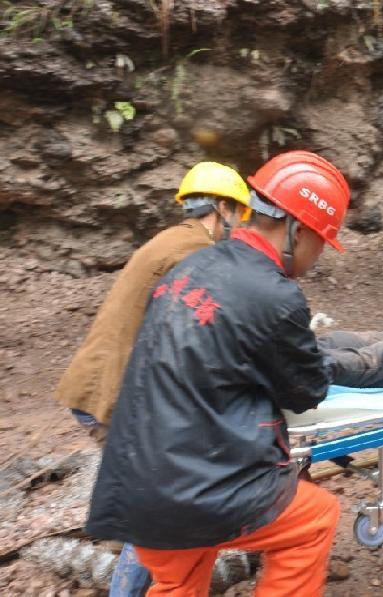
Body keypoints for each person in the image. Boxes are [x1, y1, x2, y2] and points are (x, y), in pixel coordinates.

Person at [84, 150, 351, 597]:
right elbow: (308, 390)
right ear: (297, 230)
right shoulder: (273, 294)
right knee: (314, 518)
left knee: (178, 579)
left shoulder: (192, 265)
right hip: (191, 489)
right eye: (322, 242)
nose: (318, 255)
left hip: (133, 480)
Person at [54, 161, 251, 596]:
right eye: (237, 214)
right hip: (114, 396)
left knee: (152, 504)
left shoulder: (170, 241)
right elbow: (200, 339)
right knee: (160, 510)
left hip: (99, 388)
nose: (238, 226)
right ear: (221, 208)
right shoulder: (195, 254)